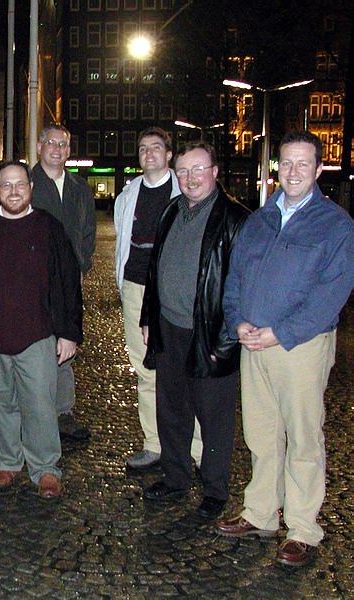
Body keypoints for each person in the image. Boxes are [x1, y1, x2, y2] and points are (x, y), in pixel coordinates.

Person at [216, 131, 354, 568]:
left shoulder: (335, 225)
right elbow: (234, 278)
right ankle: (260, 513)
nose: (292, 172)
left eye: (302, 164)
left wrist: (281, 332)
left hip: (300, 346)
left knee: (303, 437)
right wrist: (237, 319)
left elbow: (331, 293)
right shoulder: (260, 219)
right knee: (260, 433)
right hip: (253, 342)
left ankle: (302, 527)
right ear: (277, 167)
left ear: (317, 169)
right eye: (286, 164)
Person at [0, 160, 83, 498]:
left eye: (20, 184)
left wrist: (69, 332)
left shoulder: (49, 228)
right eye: (6, 185)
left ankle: (45, 469)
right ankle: (6, 462)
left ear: (31, 187)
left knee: (39, 404)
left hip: (37, 334)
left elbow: (68, 284)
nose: (14, 191)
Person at [140, 141, 248, 519]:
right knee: (171, 410)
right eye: (183, 171)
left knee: (214, 417)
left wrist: (229, 337)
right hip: (169, 328)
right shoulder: (173, 210)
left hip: (210, 334)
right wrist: (149, 318)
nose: (190, 178)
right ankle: (175, 477)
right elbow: (156, 269)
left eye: (198, 169)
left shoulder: (234, 218)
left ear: (215, 172)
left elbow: (243, 283)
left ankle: (215, 490)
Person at [114, 127, 203, 470]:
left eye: (156, 147)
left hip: (175, 291)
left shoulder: (185, 191)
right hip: (137, 288)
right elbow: (124, 242)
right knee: (145, 367)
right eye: (142, 148)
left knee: (183, 368)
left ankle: (194, 449)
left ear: (169, 155)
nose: (148, 153)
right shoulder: (127, 196)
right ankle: (154, 443)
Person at [31, 124, 96, 442]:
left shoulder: (81, 189)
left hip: (69, 281)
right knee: (33, 345)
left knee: (66, 345)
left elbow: (88, 234)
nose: (57, 149)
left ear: (69, 150)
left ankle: (62, 411)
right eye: (51, 143)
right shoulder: (26, 183)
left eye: (63, 144)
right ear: (39, 146)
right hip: (33, 280)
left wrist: (81, 265)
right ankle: (32, 411)